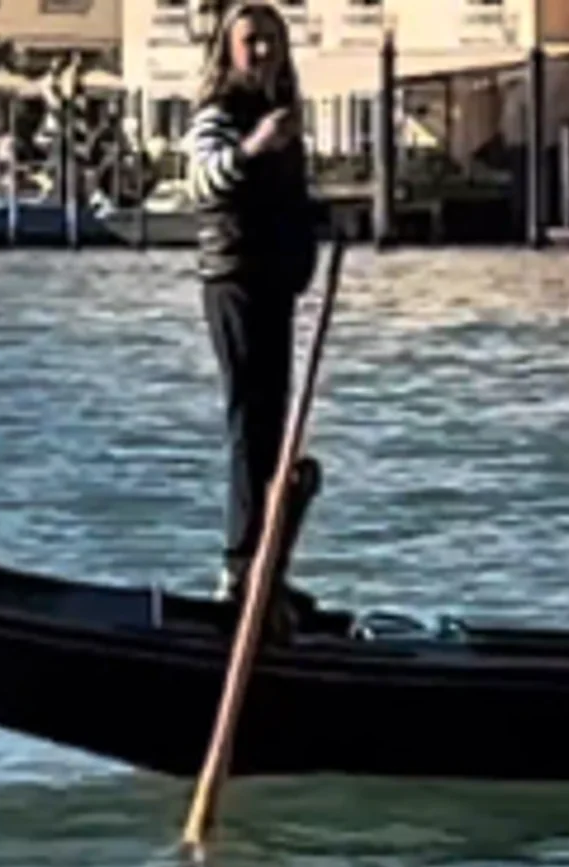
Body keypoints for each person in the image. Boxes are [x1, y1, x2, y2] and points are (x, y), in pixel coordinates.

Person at [184, 1, 322, 614]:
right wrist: (254, 146)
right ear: (228, 50)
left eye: (271, 39)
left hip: (274, 283)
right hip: (235, 280)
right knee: (250, 424)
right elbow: (204, 182)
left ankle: (267, 566)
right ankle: (239, 565)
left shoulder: (283, 116)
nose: (262, 51)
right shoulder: (217, 115)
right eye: (250, 41)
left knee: (275, 428)